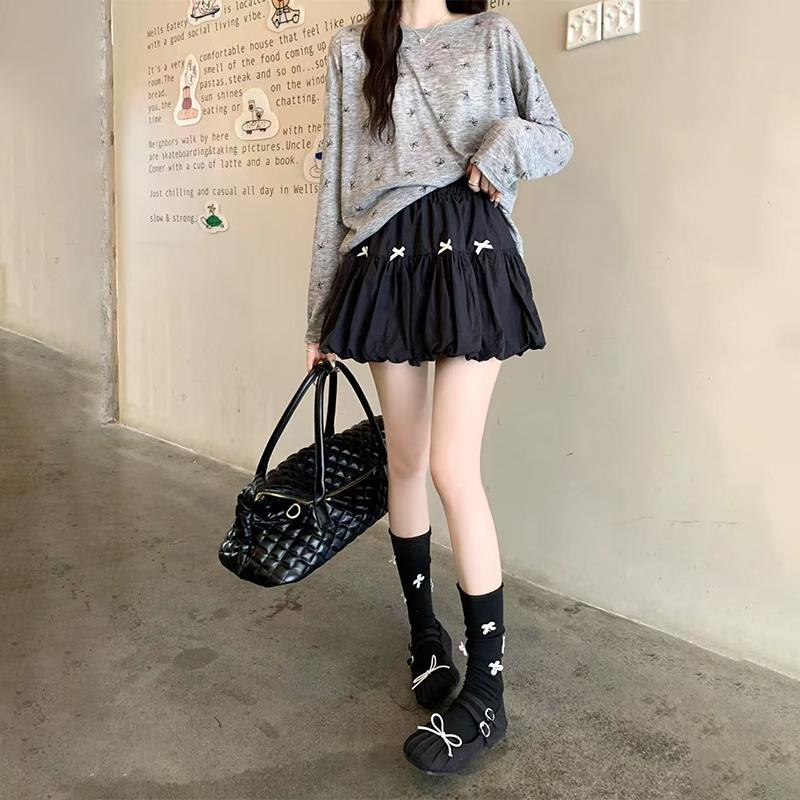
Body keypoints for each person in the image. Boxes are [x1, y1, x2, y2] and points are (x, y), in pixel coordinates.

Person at [303, 0, 573, 775]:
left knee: (454, 466)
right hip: (382, 261)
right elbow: (335, 184)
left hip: (472, 254)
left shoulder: (492, 34)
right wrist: (318, 313)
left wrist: (504, 144)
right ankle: (426, 633)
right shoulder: (352, 50)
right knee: (406, 460)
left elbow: (555, 139)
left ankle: (486, 694)